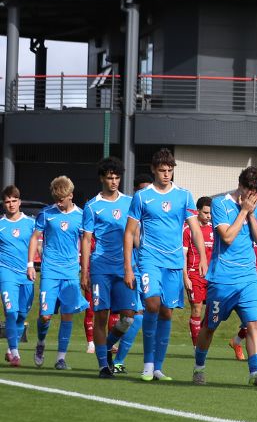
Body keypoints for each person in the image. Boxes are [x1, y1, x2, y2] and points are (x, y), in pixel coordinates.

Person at [124, 148, 204, 382]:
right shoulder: (142, 197)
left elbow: (195, 229)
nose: (166, 174)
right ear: (153, 170)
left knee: (166, 311)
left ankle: (158, 366)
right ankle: (147, 363)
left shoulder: (184, 196)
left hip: (174, 261)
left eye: (170, 170)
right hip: (149, 258)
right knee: (151, 304)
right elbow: (129, 233)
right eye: (162, 170)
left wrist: (203, 258)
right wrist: (128, 267)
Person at [192, 167, 257, 388]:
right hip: (223, 280)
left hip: (249, 278)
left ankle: (255, 373)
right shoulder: (220, 204)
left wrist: (250, 213)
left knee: (254, 324)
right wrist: (243, 212)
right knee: (209, 326)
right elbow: (227, 237)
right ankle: (199, 367)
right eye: (252, 193)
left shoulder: (256, 206)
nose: (255, 198)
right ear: (242, 187)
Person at [80, 157, 142, 377]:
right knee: (101, 316)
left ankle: (106, 346)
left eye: (117, 177)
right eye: (109, 177)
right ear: (102, 179)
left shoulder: (130, 202)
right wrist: (84, 271)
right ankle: (103, 365)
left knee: (128, 318)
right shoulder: (92, 206)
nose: (114, 181)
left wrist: (140, 261)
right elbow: (87, 240)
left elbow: (135, 234)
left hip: (126, 267)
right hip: (100, 269)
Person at [30, 176, 89, 369]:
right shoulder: (46, 214)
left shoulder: (81, 215)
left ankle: (60, 358)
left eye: (61, 199)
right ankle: (40, 343)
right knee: (45, 315)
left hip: (71, 272)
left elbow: (86, 242)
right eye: (55, 198)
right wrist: (30, 264)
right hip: (50, 271)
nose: (58, 202)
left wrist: (84, 270)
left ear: (70, 195)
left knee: (67, 314)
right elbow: (35, 237)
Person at [1, 185, 35, 367]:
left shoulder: (30, 223)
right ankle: (14, 352)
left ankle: (9, 349)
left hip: (26, 275)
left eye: (14, 200)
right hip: (6, 273)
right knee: (11, 312)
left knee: (22, 314)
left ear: (19, 202)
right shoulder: (0, 225)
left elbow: (37, 246)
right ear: (4, 204)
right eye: (7, 201)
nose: (11, 204)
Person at [186, 196, 215, 347]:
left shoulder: (214, 230)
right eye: (205, 213)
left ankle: (198, 332)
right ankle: (197, 346)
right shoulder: (188, 229)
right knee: (196, 309)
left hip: (211, 276)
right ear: (198, 211)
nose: (208, 216)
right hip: (194, 274)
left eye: (210, 213)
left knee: (212, 312)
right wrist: (185, 277)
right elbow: (183, 255)